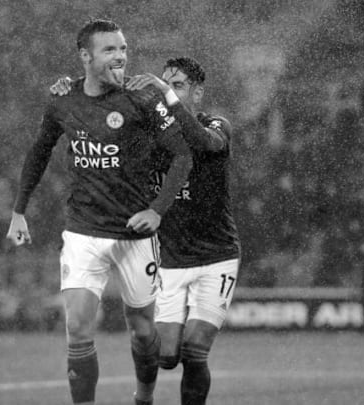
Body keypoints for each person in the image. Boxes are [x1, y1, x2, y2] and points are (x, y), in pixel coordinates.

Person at [6, 18, 194, 405]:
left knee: (143, 331)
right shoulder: (63, 100)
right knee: (76, 326)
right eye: (110, 50)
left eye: (123, 49)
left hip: (134, 234)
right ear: (85, 57)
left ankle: (144, 397)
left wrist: (158, 211)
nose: (121, 57)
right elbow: (39, 151)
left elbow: (183, 156)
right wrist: (19, 210)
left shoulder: (142, 99)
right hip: (83, 232)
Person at [51, 56, 240, 405]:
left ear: (197, 94)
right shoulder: (153, 136)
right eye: (166, 82)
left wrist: (163, 94)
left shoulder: (216, 126)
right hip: (168, 259)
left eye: (178, 84)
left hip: (217, 256)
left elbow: (199, 142)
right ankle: (144, 398)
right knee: (167, 355)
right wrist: (74, 89)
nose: (169, 88)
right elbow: (106, 124)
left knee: (195, 349)